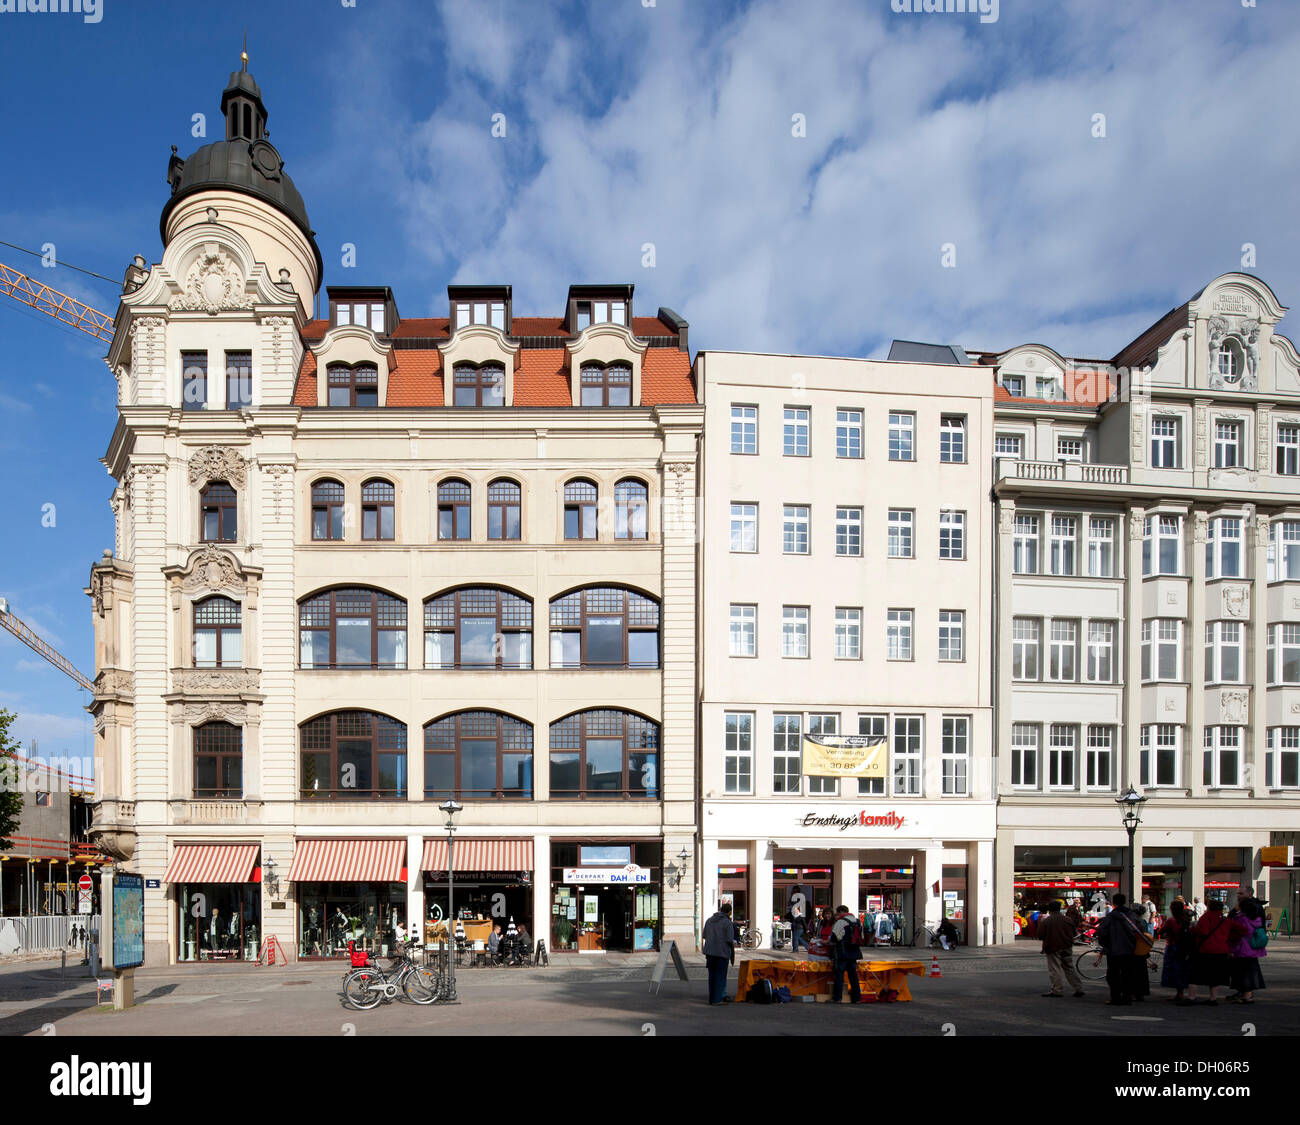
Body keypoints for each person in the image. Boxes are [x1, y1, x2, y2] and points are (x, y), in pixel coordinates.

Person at [1094, 892, 1143, 1006]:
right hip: (1130, 949)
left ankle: (1115, 997)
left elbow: (1103, 932)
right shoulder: (1131, 915)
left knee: (1113, 974)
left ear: (1114, 903)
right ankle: (1127, 997)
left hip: (1114, 950)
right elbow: (1140, 929)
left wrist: (1105, 945)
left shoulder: (1110, 917)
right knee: (1128, 974)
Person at [1037, 900, 1085, 998]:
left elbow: (1040, 935)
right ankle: (1078, 988)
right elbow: (1074, 933)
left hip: (1052, 947)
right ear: (1060, 908)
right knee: (1069, 967)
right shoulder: (1067, 920)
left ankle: (1057, 990)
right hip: (1067, 946)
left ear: (1049, 910)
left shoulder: (1046, 921)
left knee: (1055, 969)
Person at [1191, 898, 1232, 1005]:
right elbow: (1241, 930)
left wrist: (1193, 930)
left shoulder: (1206, 917)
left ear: (1209, 907)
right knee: (1215, 976)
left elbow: (1203, 931)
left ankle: (1191, 997)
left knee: (1195, 974)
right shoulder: (1225, 919)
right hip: (1221, 950)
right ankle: (1213, 998)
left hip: (1206, 949)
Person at [1226, 898, 1267, 1004]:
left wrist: (1230, 949)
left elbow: (1234, 935)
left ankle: (1245, 996)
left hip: (1242, 949)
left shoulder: (1240, 919)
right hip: (1253, 949)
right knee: (1251, 972)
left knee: (1242, 973)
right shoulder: (1256, 919)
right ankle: (1248, 995)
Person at [1160, 900, 1197, 1005]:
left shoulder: (1171, 920)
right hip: (1184, 947)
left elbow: (1161, 931)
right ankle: (1180, 992)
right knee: (1182, 969)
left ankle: (1179, 993)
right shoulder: (1186, 919)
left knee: (1173, 969)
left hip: (1173, 946)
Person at [703, 901, 736, 1005]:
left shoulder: (709, 920)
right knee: (720, 976)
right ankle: (717, 1000)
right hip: (722, 952)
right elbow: (730, 940)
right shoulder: (727, 923)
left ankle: (712, 998)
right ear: (729, 912)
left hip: (710, 952)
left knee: (712, 976)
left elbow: (704, 935)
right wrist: (732, 954)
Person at [829, 906, 863, 1004]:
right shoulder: (856, 921)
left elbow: (834, 937)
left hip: (842, 951)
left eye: (837, 913)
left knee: (839, 975)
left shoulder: (841, 922)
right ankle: (857, 998)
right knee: (853, 976)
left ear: (840, 912)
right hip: (854, 951)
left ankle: (837, 998)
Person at [787, 885, 808, 953]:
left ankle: (796, 949)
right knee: (796, 938)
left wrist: (806, 929)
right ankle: (798, 949)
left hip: (799, 928)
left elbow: (803, 921)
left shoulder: (800, 915)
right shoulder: (794, 914)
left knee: (796, 938)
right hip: (795, 927)